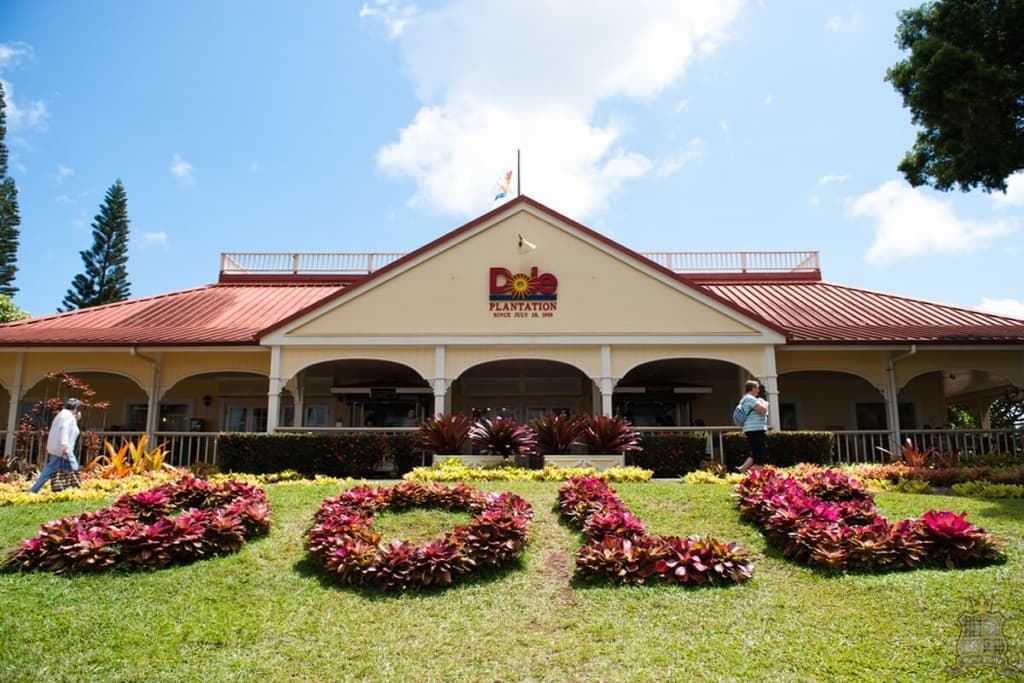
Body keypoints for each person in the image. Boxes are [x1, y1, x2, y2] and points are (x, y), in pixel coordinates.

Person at [29, 397, 82, 494]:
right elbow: (64, 430)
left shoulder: (63, 415)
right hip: (63, 449)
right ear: (75, 409)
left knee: (52, 469)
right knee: (73, 467)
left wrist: (76, 420)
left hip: (58, 448)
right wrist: (65, 445)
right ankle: (75, 489)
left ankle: (35, 489)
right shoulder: (68, 417)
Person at [736, 380, 769, 473]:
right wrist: (765, 404)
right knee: (760, 451)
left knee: (757, 450)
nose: (759, 390)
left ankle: (742, 469)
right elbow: (762, 410)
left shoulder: (746, 399)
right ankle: (756, 474)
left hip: (752, 428)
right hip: (755, 428)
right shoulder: (749, 399)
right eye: (757, 388)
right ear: (753, 388)